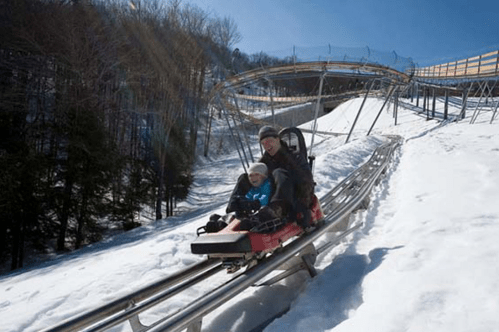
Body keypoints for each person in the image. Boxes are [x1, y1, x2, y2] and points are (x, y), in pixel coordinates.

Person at [227, 126, 315, 231]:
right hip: (268, 200)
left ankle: (276, 210)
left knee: (278, 172)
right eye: (264, 143)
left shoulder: (295, 157)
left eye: (269, 141)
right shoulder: (264, 161)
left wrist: (303, 207)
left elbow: (306, 182)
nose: (267, 146)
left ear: (278, 139)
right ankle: (236, 208)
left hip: (292, 200)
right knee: (246, 177)